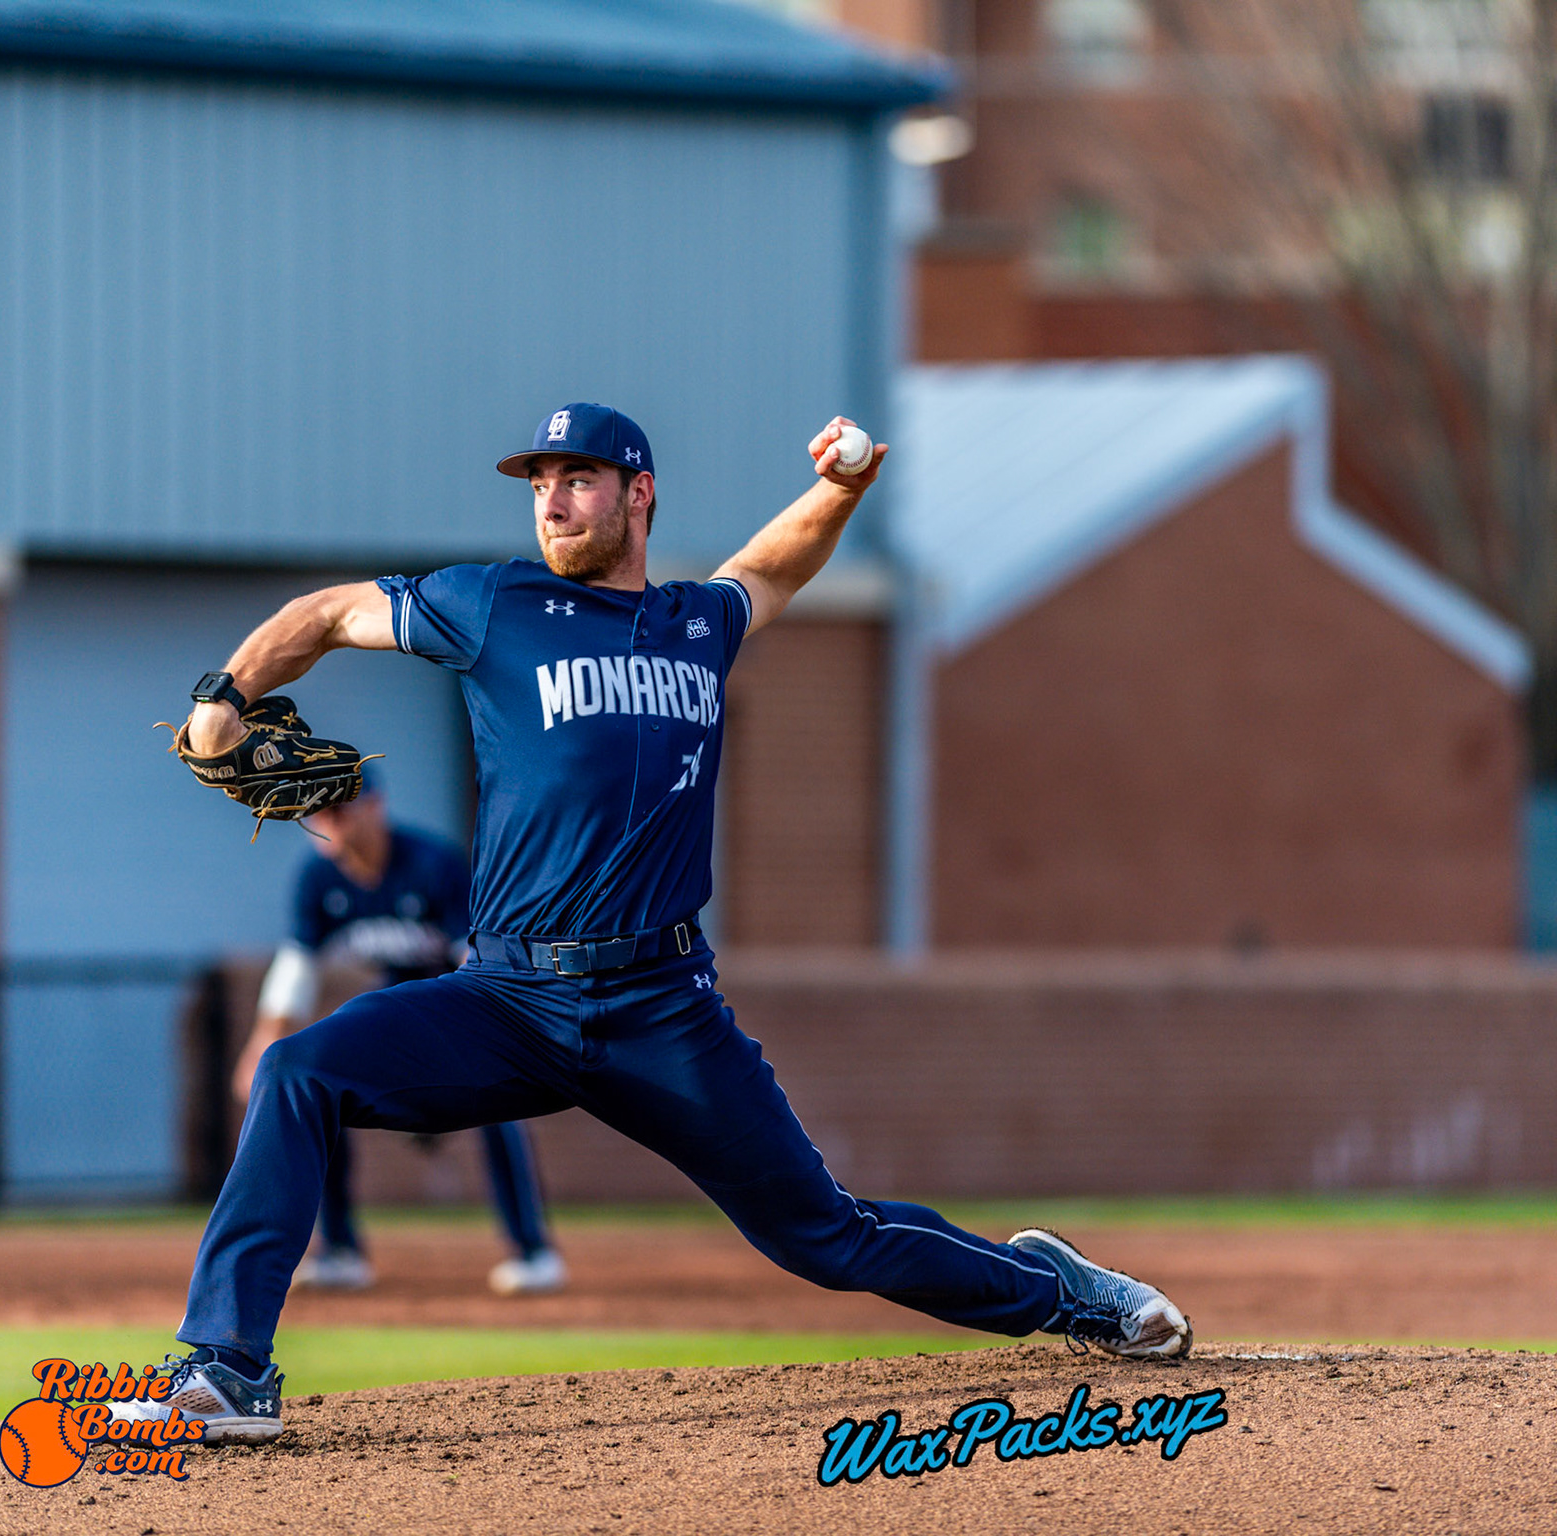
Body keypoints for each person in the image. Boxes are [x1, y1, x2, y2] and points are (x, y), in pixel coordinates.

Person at [117, 403, 1191, 1443]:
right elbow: (329, 614)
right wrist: (227, 691)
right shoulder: (491, 606)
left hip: (661, 1008)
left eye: (577, 478)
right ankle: (226, 1368)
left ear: (639, 495)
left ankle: (1059, 1290)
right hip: (507, 997)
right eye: (540, 483)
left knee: (826, 1238)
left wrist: (840, 487)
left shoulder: (695, 624)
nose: (553, 500)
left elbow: (771, 567)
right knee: (301, 1072)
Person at [237, 771, 565, 1296]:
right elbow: (296, 968)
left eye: (339, 809)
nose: (327, 822)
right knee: (319, 1086)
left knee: (504, 1112)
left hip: (461, 1000)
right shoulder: (318, 877)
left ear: (376, 807)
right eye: (317, 813)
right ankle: (340, 1250)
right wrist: (261, 1043)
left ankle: (534, 1251)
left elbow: (472, 958)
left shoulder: (432, 864)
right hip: (395, 1005)